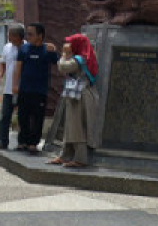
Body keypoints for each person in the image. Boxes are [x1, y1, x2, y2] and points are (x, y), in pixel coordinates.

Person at [48, 33, 100, 168]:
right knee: (71, 126)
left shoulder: (78, 60)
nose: (68, 45)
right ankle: (65, 155)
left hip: (80, 97)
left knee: (77, 128)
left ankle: (80, 159)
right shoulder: (87, 57)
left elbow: (63, 67)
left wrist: (64, 55)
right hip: (78, 95)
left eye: (71, 43)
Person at [11, 22, 58, 154]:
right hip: (24, 89)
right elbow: (18, 68)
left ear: (40, 36)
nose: (28, 36)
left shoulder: (47, 50)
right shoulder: (24, 49)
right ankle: (22, 142)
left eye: (31, 34)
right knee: (23, 117)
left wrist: (54, 50)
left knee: (37, 118)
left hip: (40, 90)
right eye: (28, 34)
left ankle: (33, 143)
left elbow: (59, 62)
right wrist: (15, 84)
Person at [0, 24, 25, 150]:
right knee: (5, 116)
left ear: (17, 36)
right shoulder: (7, 47)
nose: (8, 37)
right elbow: (3, 64)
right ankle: (3, 142)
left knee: (23, 116)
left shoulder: (27, 47)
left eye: (10, 35)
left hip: (23, 88)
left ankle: (22, 142)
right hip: (9, 89)